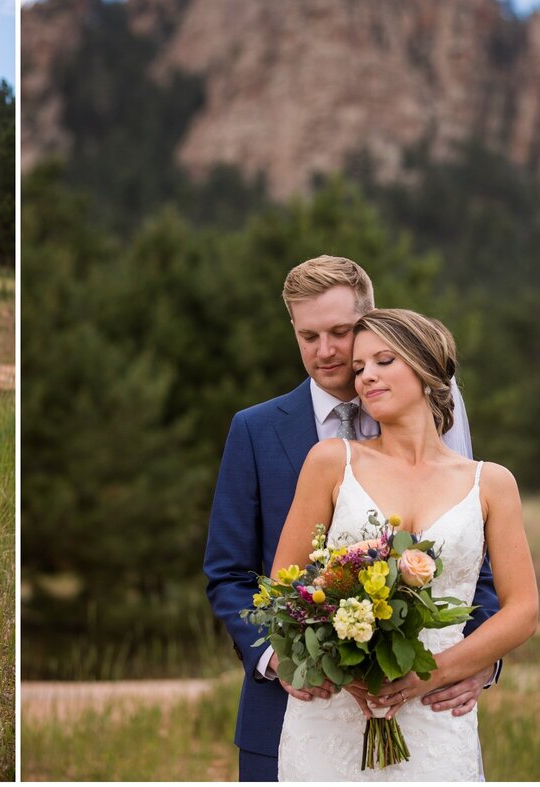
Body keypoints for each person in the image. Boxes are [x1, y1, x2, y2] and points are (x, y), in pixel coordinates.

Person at [202, 255, 499, 781]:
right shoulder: (254, 430)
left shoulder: (432, 420)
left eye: (340, 332)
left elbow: (472, 559)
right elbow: (228, 572)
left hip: (427, 707)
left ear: (369, 322)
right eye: (308, 335)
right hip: (291, 712)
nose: (326, 351)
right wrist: (281, 658)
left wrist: (476, 663)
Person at [273, 308, 537, 779]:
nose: (365, 377)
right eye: (358, 369)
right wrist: (346, 670)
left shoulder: (492, 483)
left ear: (426, 368)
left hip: (438, 713)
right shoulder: (332, 462)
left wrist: (429, 675)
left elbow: (523, 610)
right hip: (337, 710)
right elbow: (284, 587)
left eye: (383, 361)